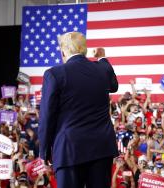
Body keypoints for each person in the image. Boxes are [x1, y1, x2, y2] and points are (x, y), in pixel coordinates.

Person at [38, 32, 119, 188]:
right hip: (101, 149)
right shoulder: (101, 69)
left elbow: (47, 116)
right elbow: (114, 85)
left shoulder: (54, 74)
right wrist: (102, 58)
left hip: (68, 150)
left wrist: (44, 151)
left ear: (63, 52)